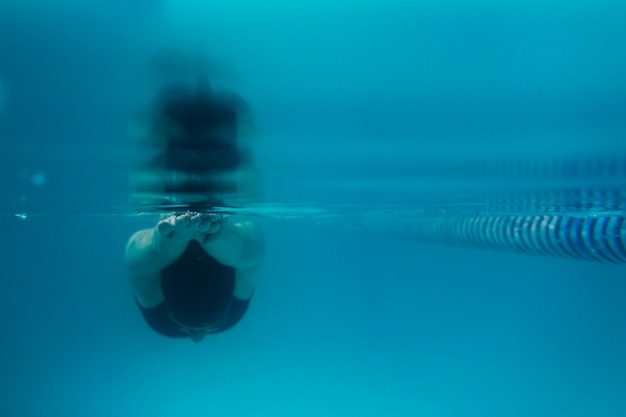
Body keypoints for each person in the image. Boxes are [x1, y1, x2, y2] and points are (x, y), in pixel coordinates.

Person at [125, 211, 265, 342]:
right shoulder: (232, 316)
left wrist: (162, 245)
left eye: (188, 328)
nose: (197, 335)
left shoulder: (161, 322)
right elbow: (136, 265)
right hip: (213, 259)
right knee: (246, 255)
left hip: (185, 260)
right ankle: (211, 237)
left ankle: (178, 240)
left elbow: (136, 267)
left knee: (246, 256)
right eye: (207, 327)